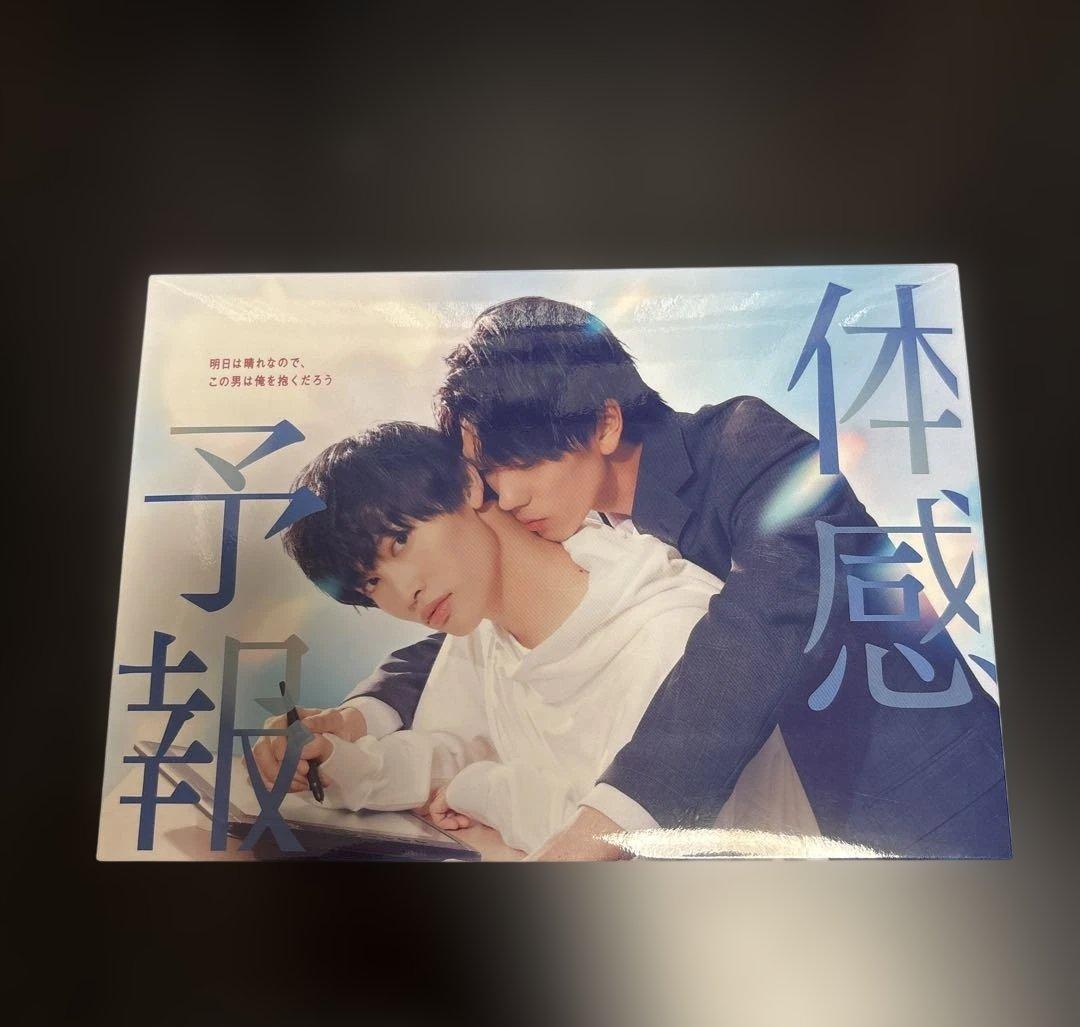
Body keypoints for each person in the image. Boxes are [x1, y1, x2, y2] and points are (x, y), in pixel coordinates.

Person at [316, 297, 1011, 860]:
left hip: (932, 809)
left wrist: (605, 825)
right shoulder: (581, 523)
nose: (506, 494)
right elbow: (486, 613)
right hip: (794, 836)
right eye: (489, 473)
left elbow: (760, 627)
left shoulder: (749, 449)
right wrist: (363, 712)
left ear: (604, 423)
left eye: (519, 463)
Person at [254, 422, 816, 855]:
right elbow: (455, 750)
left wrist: (481, 789)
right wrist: (338, 765)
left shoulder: (667, 629)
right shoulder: (484, 630)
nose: (405, 593)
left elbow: (621, 836)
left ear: (468, 484)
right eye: (372, 583)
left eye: (400, 541)